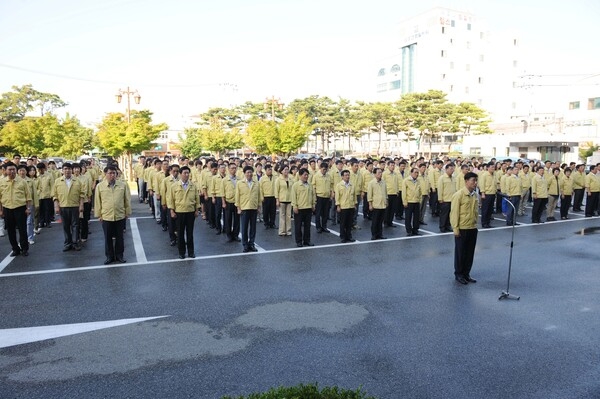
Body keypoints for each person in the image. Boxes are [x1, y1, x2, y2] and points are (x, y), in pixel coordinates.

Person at [94, 165, 131, 264]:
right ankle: (109, 256)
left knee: (120, 237)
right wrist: (99, 215)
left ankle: (119, 255)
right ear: (105, 174)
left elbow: (126, 199)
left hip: (120, 215)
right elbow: (97, 201)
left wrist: (127, 212)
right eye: (110, 173)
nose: (112, 175)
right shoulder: (100, 186)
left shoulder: (122, 185)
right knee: (108, 238)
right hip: (106, 216)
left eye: (114, 173)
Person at [450, 172, 479, 285]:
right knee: (460, 253)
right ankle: (459, 274)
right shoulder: (459, 195)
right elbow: (454, 213)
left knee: (470, 253)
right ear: (466, 181)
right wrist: (455, 229)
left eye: (476, 181)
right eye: (473, 180)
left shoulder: (475, 195)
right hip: (462, 228)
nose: (475, 183)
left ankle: (467, 273)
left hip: (472, 227)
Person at [0, 162, 31, 256]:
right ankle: (15, 249)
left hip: (20, 208)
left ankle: (24, 248)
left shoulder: (22, 181)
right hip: (7, 208)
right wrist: (1, 210)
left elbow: (28, 196)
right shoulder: (1, 182)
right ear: (5, 170)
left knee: (22, 229)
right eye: (10, 169)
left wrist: (28, 208)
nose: (12, 171)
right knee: (10, 230)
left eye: (14, 169)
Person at [168, 166, 199, 259]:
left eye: (188, 173)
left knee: (190, 233)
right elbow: (171, 199)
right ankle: (181, 252)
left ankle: (191, 252)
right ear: (180, 174)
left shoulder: (193, 185)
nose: (186, 175)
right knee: (180, 233)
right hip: (179, 212)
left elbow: (197, 199)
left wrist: (197, 210)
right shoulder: (174, 186)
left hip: (190, 212)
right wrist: (172, 211)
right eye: (185, 173)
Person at [53, 162, 85, 251]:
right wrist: (56, 206)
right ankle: (68, 243)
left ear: (72, 170)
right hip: (63, 206)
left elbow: (82, 194)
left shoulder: (77, 180)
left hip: (75, 206)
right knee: (65, 226)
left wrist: (81, 205)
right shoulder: (57, 181)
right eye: (65, 169)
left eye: (69, 169)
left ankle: (75, 242)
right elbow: (55, 195)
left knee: (75, 225)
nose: (67, 171)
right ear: (62, 170)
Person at [235, 166, 263, 253]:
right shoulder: (240, 183)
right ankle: (245, 245)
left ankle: (252, 244)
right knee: (244, 227)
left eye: (250, 172)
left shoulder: (256, 183)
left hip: (253, 207)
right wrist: (238, 208)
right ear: (244, 173)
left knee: (253, 228)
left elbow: (258, 196)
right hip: (244, 208)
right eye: (247, 172)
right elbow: (237, 196)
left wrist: (259, 207)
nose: (249, 174)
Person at [291, 167, 315, 247]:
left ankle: (307, 240)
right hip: (299, 208)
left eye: (307, 175)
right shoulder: (296, 185)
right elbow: (293, 196)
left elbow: (313, 195)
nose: (306, 176)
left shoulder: (310, 185)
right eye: (305, 175)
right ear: (300, 175)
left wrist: (313, 204)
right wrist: (295, 206)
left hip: (308, 208)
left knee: (307, 226)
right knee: (298, 226)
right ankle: (299, 241)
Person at [335, 169, 357, 243]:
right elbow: (337, 196)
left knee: (349, 223)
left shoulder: (352, 184)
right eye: (346, 175)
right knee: (343, 223)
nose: (347, 176)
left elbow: (354, 196)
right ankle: (343, 236)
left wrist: (355, 204)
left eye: (348, 175)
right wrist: (338, 205)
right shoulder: (339, 185)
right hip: (343, 206)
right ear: (342, 177)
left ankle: (349, 236)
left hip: (350, 206)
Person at [221, 163, 241, 243]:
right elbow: (222, 193)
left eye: (235, 168)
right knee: (228, 220)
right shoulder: (224, 180)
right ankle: (229, 235)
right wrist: (223, 203)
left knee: (237, 220)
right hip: (228, 202)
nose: (233, 170)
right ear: (228, 169)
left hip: (237, 202)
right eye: (232, 168)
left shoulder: (239, 179)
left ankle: (235, 235)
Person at [367, 167, 387, 240]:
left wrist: (386, 201)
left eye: (381, 172)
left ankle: (380, 234)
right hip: (376, 204)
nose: (380, 174)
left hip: (383, 204)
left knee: (380, 221)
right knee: (375, 221)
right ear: (374, 174)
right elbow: (369, 195)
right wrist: (370, 204)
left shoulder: (383, 182)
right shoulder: (371, 183)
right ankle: (374, 234)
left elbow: (385, 192)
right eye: (378, 173)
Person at [313, 162, 333, 233]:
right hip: (319, 196)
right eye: (323, 169)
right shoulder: (316, 176)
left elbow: (331, 186)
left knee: (325, 213)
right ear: (320, 168)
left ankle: (324, 226)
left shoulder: (328, 176)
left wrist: (331, 195)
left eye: (326, 169)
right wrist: (314, 197)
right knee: (318, 213)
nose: (325, 171)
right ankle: (318, 227)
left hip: (327, 197)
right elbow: (314, 187)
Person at [402, 167, 422, 236]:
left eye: (417, 173)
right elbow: (404, 192)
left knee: (416, 217)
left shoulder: (418, 181)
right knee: (408, 217)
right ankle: (409, 230)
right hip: (409, 201)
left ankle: (415, 229)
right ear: (411, 173)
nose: (416, 174)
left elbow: (420, 191)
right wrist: (405, 202)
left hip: (416, 201)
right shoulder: (406, 181)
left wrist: (420, 200)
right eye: (415, 172)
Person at [274, 165, 293, 236]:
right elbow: (276, 190)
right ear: (281, 171)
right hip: (282, 199)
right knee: (282, 215)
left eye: (287, 169)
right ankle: (282, 231)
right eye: (285, 170)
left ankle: (288, 230)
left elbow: (292, 189)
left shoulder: (290, 179)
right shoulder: (278, 180)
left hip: (289, 199)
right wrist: (277, 200)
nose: (286, 171)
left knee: (288, 216)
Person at [437, 163, 456, 233]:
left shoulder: (454, 178)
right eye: (451, 169)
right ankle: (442, 227)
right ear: (446, 169)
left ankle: (448, 225)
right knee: (444, 214)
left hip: (452, 199)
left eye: (453, 169)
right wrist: (440, 198)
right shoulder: (442, 178)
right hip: (445, 199)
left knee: (450, 214)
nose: (452, 170)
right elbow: (440, 189)